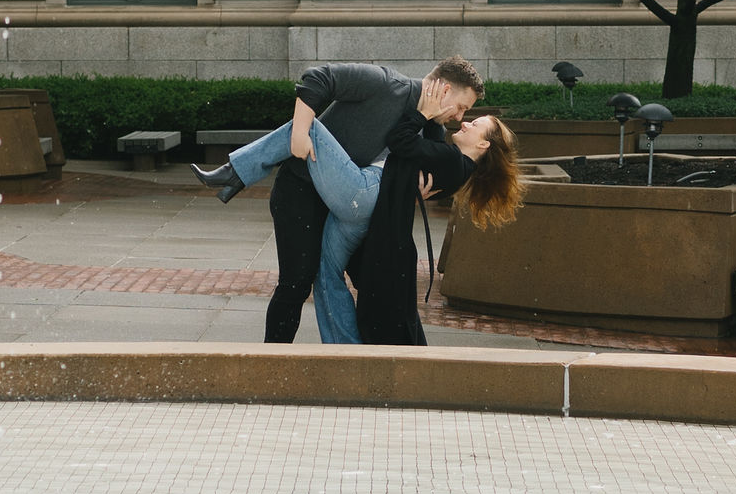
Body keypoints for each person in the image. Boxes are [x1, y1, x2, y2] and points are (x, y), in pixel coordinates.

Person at [193, 71, 523, 345]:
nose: (462, 121)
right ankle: (347, 352)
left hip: (362, 195)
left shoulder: (455, 161)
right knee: (325, 274)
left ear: (483, 144)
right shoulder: (448, 153)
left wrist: (423, 114)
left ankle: (237, 171)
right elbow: (422, 162)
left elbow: (402, 142)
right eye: (464, 111)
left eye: (472, 121)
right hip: (364, 206)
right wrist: (430, 123)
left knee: (309, 127)